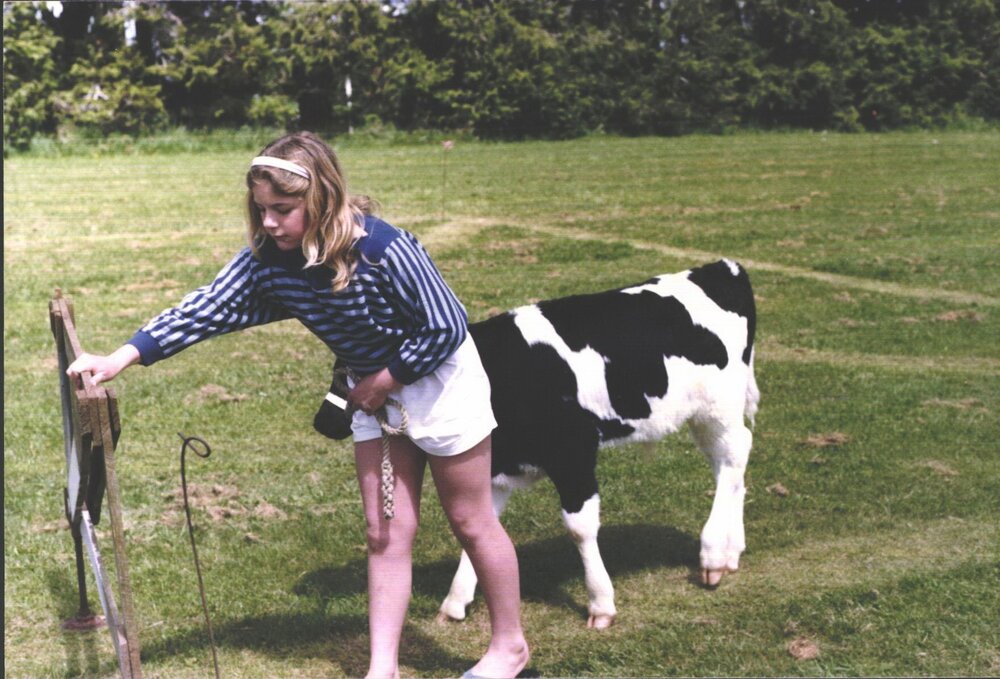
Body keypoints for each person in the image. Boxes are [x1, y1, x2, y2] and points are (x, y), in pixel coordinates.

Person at [67, 131, 530, 679]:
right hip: (372, 393)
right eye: (261, 209)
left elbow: (446, 326)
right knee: (384, 533)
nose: (268, 223)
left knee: (471, 520)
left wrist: (386, 378)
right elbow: (207, 306)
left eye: (283, 210)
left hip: (438, 381)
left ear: (324, 198)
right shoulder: (270, 260)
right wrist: (122, 356)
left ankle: (510, 649)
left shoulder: (384, 250)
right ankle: (383, 669)